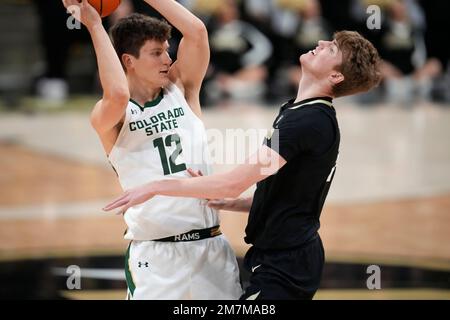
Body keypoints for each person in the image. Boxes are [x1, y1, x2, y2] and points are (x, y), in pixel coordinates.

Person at [104, 31, 382, 299]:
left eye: (331, 48)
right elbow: (292, 194)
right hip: (279, 255)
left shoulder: (306, 122)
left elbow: (234, 181)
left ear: (335, 75)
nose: (321, 42)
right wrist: (232, 202)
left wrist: (157, 186)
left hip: (288, 261)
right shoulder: (301, 111)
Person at [61, 0, 242, 300]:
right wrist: (93, 24)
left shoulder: (182, 88)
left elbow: (196, 31)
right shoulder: (111, 114)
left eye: (167, 50)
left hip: (210, 246)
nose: (167, 59)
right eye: (156, 53)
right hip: (156, 254)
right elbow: (118, 93)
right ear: (129, 61)